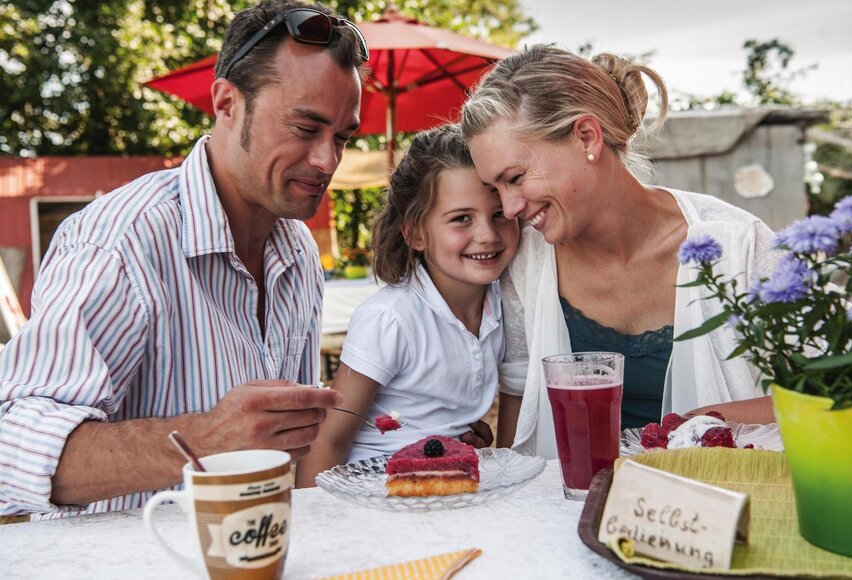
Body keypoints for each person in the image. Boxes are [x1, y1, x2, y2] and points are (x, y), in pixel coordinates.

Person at [0, 0, 368, 517]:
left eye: (343, 137)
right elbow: (9, 447)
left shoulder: (299, 251)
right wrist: (205, 440)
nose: (327, 160)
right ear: (226, 103)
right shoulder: (122, 240)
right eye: (306, 128)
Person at [460, 45, 779, 458]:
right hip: (572, 513)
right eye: (496, 189)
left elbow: (835, 401)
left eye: (516, 178)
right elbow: (521, 407)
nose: (509, 208)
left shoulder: (742, 247)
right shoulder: (526, 262)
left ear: (587, 138)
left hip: (721, 505)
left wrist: (699, 425)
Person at [295, 124, 519, 487]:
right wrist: (314, 530)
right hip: (378, 495)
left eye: (499, 214)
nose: (487, 235)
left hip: (453, 489)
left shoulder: (506, 304)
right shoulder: (391, 318)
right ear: (415, 233)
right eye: (462, 218)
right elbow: (330, 437)